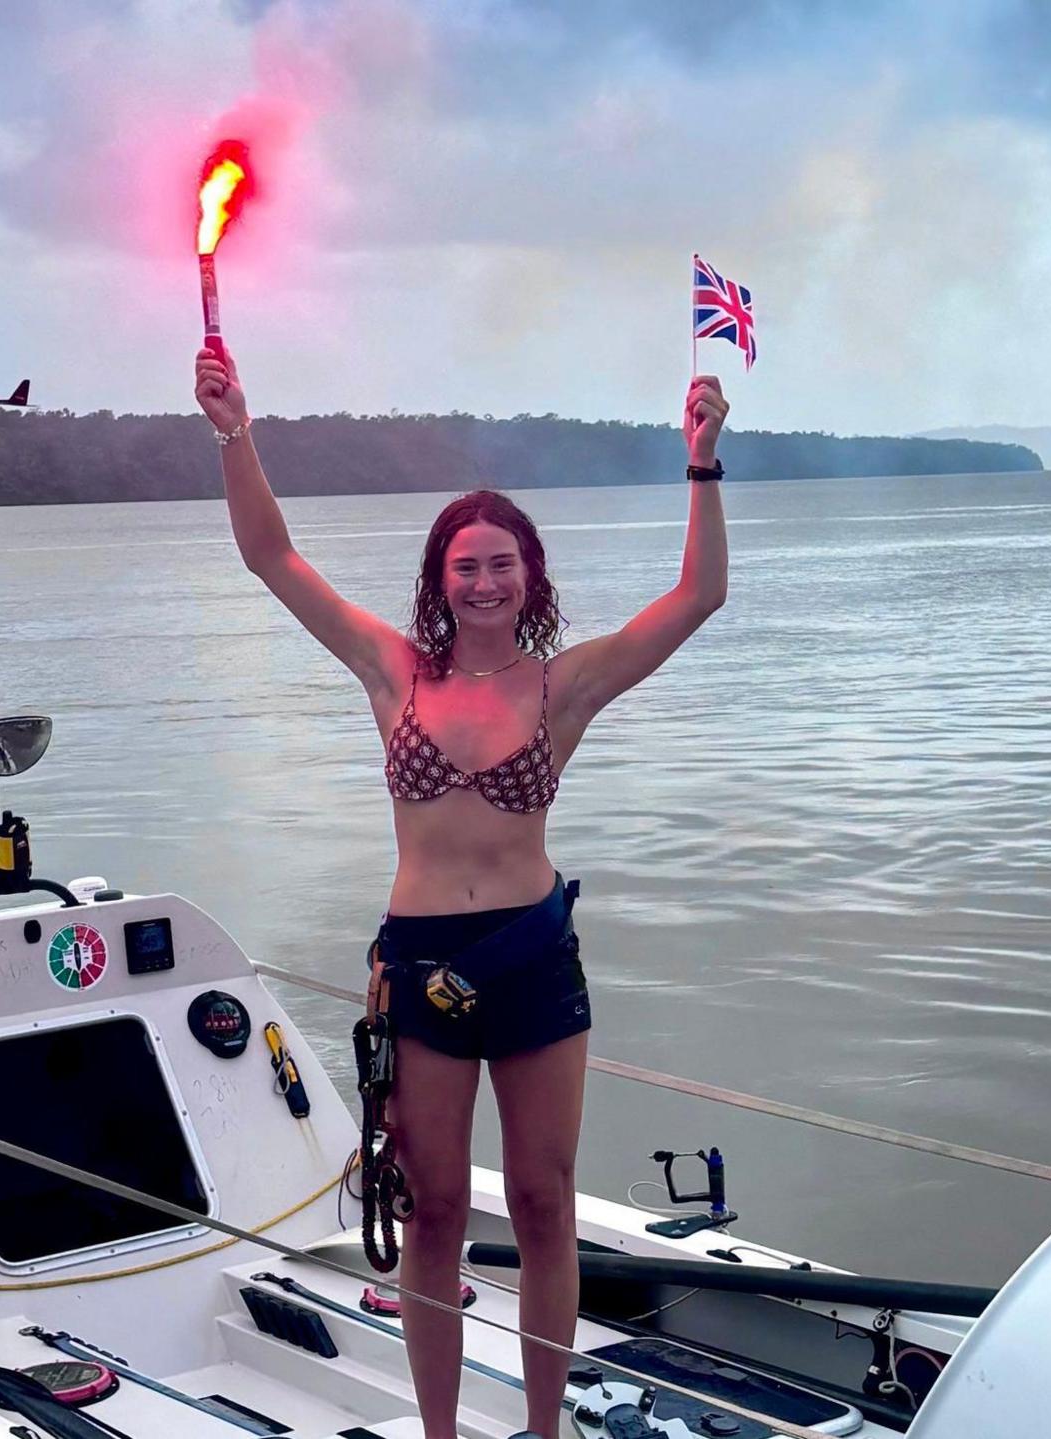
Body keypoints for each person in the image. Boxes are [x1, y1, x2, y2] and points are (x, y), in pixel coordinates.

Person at [194, 344, 729, 1439]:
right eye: (463, 565)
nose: (482, 580)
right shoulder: (395, 671)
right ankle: (438, 1434)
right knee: (432, 1209)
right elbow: (270, 555)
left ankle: (542, 1430)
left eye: (501, 563)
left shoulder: (566, 682)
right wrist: (232, 430)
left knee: (543, 1202)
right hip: (422, 962)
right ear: (439, 581)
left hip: (533, 952)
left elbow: (698, 595)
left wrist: (702, 464)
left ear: (530, 575)